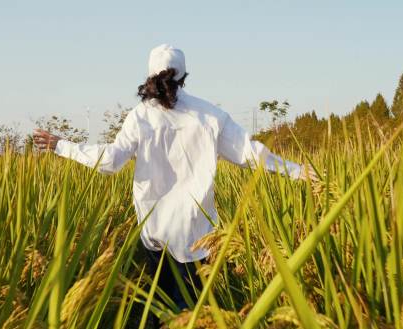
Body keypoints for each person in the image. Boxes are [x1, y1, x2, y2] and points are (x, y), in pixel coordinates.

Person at [33, 44, 317, 313]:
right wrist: (299, 171)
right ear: (183, 76)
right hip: (196, 234)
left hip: (155, 231)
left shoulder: (140, 116)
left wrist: (62, 145)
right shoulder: (210, 115)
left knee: (161, 307)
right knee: (194, 313)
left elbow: (110, 161)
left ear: (149, 74)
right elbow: (250, 153)